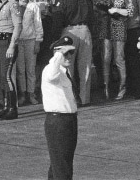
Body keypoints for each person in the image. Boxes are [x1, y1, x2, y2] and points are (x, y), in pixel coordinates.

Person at [41, 35, 79, 180]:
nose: (69, 56)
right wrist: (59, 54)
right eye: (66, 53)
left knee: (62, 163)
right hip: (58, 123)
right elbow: (51, 76)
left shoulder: (64, 71)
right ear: (57, 54)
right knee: (62, 167)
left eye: (71, 52)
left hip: (69, 121)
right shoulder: (51, 70)